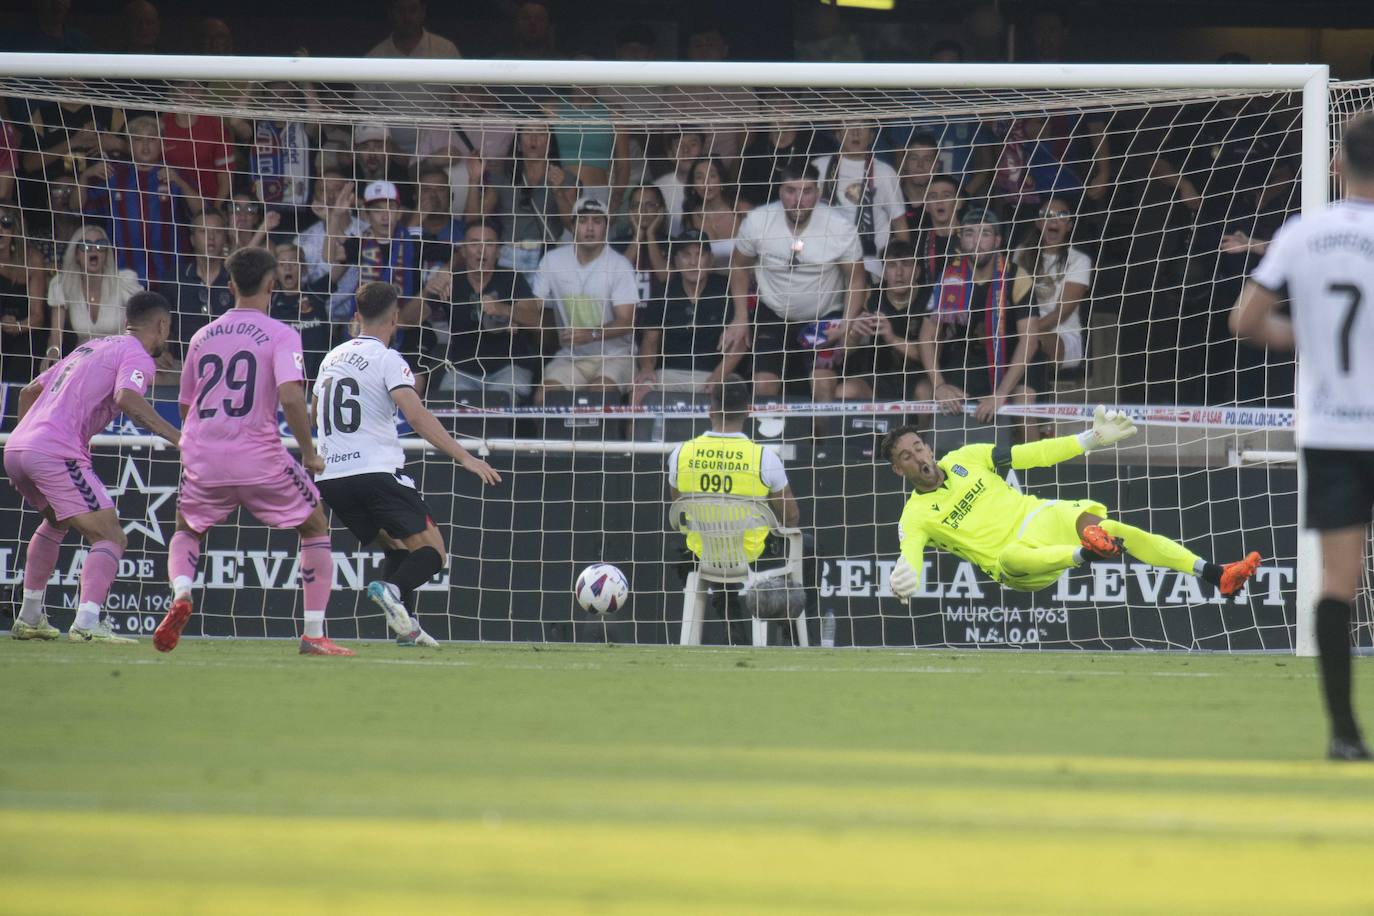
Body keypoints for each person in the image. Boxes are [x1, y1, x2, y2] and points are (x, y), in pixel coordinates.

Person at [1228, 112, 1374, 761]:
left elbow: (1245, 320)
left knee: (1338, 582)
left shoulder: (1301, 233)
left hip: (1330, 430)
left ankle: (1344, 734)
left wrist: (1300, 339)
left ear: (1337, 165)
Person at [151, 247, 350, 657]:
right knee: (314, 525)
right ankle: (314, 634)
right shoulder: (281, 334)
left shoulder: (202, 336)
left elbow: (186, 405)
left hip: (203, 456)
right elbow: (292, 399)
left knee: (187, 529)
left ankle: (183, 592)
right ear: (271, 285)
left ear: (230, 286)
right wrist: (310, 452)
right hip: (259, 457)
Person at [881, 411, 1260, 609]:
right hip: (1014, 563)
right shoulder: (915, 517)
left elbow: (1035, 454)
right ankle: (1085, 552)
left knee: (1112, 527)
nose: (917, 457)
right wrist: (905, 576)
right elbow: (909, 556)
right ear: (899, 470)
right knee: (1011, 556)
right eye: (906, 457)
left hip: (1038, 518)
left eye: (918, 448)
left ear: (928, 448)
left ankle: (1216, 573)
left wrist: (1090, 438)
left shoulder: (968, 457)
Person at [312, 282, 501, 646]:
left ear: (356, 316)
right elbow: (416, 416)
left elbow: (316, 413)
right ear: (395, 317)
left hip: (333, 477)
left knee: (397, 548)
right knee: (433, 553)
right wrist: (465, 456)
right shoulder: (389, 359)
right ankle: (391, 589)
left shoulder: (330, 358)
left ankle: (406, 628)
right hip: (376, 472)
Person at [5, 291, 180, 642]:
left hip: (16, 446)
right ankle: (87, 623)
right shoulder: (137, 355)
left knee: (55, 522)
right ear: (161, 326)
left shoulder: (92, 347)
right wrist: (179, 438)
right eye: (169, 329)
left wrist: (28, 443)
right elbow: (127, 398)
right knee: (111, 534)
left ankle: (30, 616)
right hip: (54, 450)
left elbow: (27, 393)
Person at [667, 374, 802, 642]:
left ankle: (728, 608)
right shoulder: (764, 457)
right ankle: (789, 628)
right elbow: (791, 516)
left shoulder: (680, 454)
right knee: (806, 546)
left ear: (711, 410)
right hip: (751, 555)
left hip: (702, 554)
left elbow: (679, 508)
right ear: (748, 411)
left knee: (709, 545)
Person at [726, 159, 866, 403]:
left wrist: (847, 323)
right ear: (780, 191)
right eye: (791, 191)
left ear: (818, 193)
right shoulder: (759, 221)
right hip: (773, 311)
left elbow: (856, 278)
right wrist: (740, 317)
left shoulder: (840, 227)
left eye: (807, 191)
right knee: (764, 385)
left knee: (823, 385)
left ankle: (821, 442)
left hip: (823, 316)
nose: (798, 199)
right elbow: (738, 265)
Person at [918, 208, 1039, 424]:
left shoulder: (1016, 276)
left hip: (1010, 361)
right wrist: (940, 386)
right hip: (966, 358)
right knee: (924, 391)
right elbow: (927, 337)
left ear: (997, 241)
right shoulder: (949, 278)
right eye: (969, 233)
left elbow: (1029, 341)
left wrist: (1001, 394)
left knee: (1024, 400)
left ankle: (1031, 458)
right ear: (960, 240)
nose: (976, 241)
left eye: (984, 234)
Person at [532, 197, 639, 403]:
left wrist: (592, 334)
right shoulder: (552, 261)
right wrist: (509, 314)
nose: (590, 228)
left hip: (617, 355)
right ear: (572, 226)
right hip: (572, 356)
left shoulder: (620, 265)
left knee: (598, 397)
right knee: (543, 399)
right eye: (583, 221)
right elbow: (534, 307)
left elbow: (627, 322)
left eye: (597, 222)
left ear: (607, 227)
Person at [421, 220, 543, 400]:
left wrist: (503, 309)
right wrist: (427, 290)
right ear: (462, 250)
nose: (481, 249)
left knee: (499, 405)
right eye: (474, 243)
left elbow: (536, 321)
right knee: (449, 409)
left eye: (489, 244)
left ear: (499, 251)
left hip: (509, 369)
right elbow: (409, 321)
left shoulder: (511, 277)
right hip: (461, 370)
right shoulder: (451, 281)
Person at [81, 115, 202, 286]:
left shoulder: (174, 175)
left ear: (161, 144)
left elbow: (201, 213)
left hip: (170, 275)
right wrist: (84, 177)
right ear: (128, 145)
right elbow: (78, 208)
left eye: (151, 139)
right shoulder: (114, 176)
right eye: (138, 139)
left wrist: (181, 184)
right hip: (122, 276)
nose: (145, 146)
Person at [632, 231, 742, 405]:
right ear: (675, 261)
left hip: (711, 374)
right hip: (668, 373)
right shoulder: (664, 292)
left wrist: (717, 377)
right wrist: (646, 368)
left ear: (710, 260)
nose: (693, 262)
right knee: (639, 394)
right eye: (686, 255)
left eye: (700, 255)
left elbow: (740, 343)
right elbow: (649, 341)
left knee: (728, 395)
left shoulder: (726, 290)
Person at [812, 122, 909, 279]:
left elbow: (901, 226)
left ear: (872, 136)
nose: (855, 132)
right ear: (837, 134)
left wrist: (901, 266)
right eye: (849, 126)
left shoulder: (886, 173)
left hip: (870, 266)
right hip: (824, 264)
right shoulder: (817, 168)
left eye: (862, 127)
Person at [45, 226, 143, 365]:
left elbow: (145, 320)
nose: (93, 250)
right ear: (76, 254)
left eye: (100, 245)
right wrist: (52, 355)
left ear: (106, 253)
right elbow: (56, 335)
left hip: (122, 357)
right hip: (83, 361)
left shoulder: (124, 281)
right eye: (85, 246)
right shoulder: (62, 284)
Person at [1014, 197, 1092, 372]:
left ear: (1069, 226)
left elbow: (1061, 314)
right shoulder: (1020, 253)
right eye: (1047, 215)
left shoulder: (1079, 260)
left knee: (1033, 343)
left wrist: (1022, 333)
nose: (1054, 220)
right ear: (1039, 223)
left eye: (1062, 216)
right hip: (1021, 330)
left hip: (1061, 335)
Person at [0, 206, 47, 389]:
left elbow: (38, 316)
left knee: (25, 355)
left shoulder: (32, 259)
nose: (0, 230)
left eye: (5, 223)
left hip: (25, 328)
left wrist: (17, 326)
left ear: (15, 229)